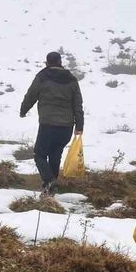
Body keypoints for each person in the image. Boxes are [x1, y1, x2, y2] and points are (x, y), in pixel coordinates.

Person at [20, 52, 84, 195]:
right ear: (60, 62)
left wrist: (23, 110)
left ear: (47, 62)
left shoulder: (42, 77)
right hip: (66, 127)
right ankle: (50, 189)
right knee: (55, 155)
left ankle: (49, 181)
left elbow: (31, 95)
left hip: (48, 124)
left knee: (39, 155)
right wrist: (79, 126)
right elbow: (78, 104)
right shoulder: (72, 79)